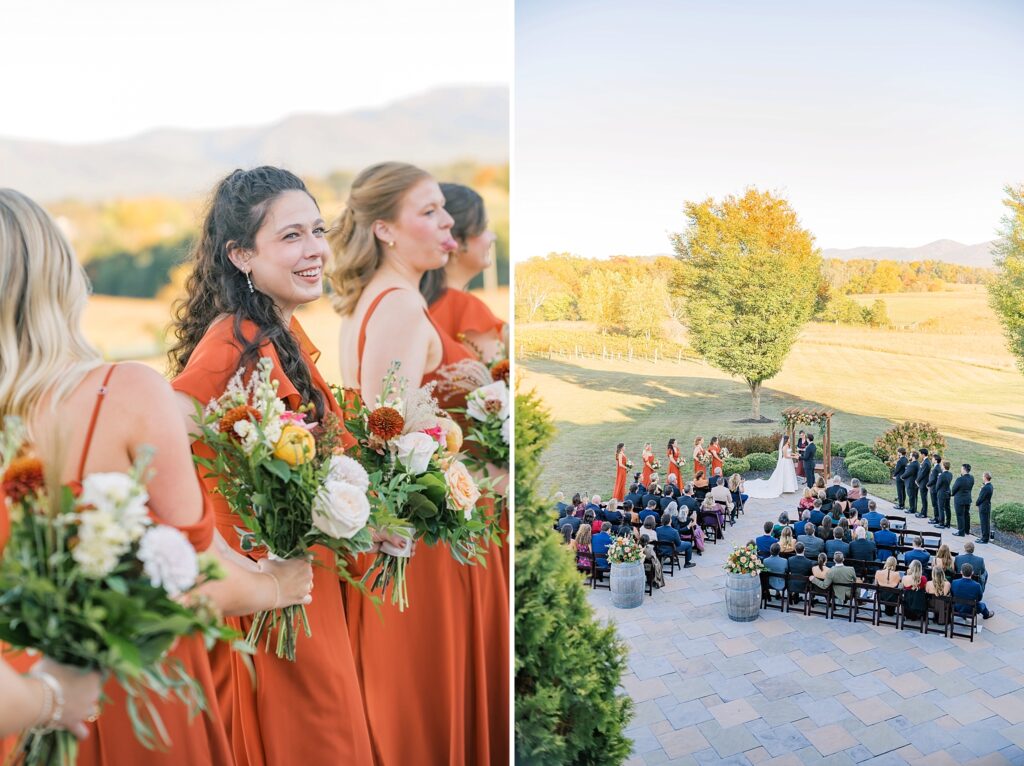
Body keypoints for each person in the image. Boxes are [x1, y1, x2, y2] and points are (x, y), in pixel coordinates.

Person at [327, 161, 507, 763]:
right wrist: (487, 477)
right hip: (425, 548)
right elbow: (393, 452)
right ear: (385, 229)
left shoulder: (381, 299)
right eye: (427, 211)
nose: (446, 221)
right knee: (426, 706)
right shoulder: (400, 307)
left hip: (422, 536)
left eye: (443, 209)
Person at [420, 182, 504, 364]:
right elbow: (496, 384)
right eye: (483, 228)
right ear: (454, 240)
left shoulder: (416, 305)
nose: (492, 236)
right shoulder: (468, 311)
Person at [951, 463, 975, 536]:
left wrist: (952, 494)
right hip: (967, 499)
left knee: (960, 515)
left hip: (959, 500)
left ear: (964, 470)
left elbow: (954, 489)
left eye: (961, 469)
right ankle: (967, 530)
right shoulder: (972, 478)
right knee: (966, 514)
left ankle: (961, 532)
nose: (960, 470)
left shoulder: (960, 479)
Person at [934, 459, 953, 529]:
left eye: (942, 465)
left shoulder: (941, 475)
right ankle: (948, 523)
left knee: (941, 508)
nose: (941, 466)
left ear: (944, 466)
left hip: (941, 493)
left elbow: (938, 485)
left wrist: (939, 477)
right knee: (947, 508)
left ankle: (941, 523)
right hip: (948, 492)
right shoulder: (950, 474)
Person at [976, 472, 994, 544]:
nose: (982, 478)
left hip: (983, 507)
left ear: (985, 478)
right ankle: (984, 537)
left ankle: (984, 539)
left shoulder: (985, 487)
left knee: (984, 523)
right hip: (987, 506)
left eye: (983, 477)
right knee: (986, 523)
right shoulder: (990, 486)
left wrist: (976, 503)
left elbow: (981, 498)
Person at [915, 448, 933, 519]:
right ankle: (922, 512)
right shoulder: (925, 461)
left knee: (924, 498)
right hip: (922, 482)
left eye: (920, 454)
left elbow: (923, 473)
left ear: (923, 454)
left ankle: (924, 513)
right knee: (923, 498)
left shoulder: (926, 462)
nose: (920, 455)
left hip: (923, 482)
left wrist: (917, 480)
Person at [902, 451, 921, 516]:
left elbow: (908, 473)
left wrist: (902, 477)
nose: (909, 457)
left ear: (913, 457)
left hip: (911, 482)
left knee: (911, 496)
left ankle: (911, 509)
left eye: (910, 455)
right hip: (914, 483)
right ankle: (914, 508)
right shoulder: (917, 463)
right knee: (914, 496)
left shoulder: (912, 464)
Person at [927, 452, 942, 521]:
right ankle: (937, 517)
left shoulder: (936, 468)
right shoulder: (937, 467)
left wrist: (928, 484)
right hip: (934, 488)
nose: (932, 460)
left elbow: (933, 479)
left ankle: (936, 518)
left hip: (934, 488)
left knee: (934, 503)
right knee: (935, 503)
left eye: (933, 459)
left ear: (936, 460)